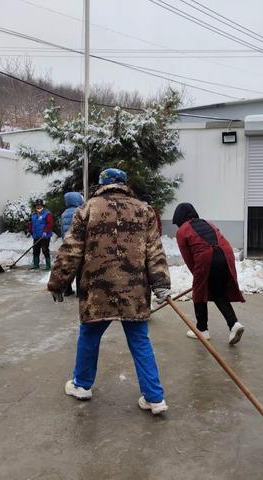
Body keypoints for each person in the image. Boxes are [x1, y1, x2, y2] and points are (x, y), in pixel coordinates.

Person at [48, 168, 171, 415]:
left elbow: (71, 250)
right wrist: (161, 284)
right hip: (133, 291)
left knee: (89, 336)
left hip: (97, 291)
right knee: (140, 341)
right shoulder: (143, 210)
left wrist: (58, 282)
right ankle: (155, 398)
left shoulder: (89, 209)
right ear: (124, 185)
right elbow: (154, 251)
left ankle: (82, 385)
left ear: (102, 184)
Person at [172, 203, 245, 345]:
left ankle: (202, 330)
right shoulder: (207, 223)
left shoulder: (182, 231)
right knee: (218, 292)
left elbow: (188, 258)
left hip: (206, 257)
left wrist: (199, 279)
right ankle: (234, 324)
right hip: (226, 254)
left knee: (199, 293)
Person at [61, 192, 84, 296]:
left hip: (67, 243)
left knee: (68, 267)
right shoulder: (80, 211)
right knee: (79, 268)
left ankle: (67, 290)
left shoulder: (64, 213)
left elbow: (62, 230)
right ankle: (79, 291)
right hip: (78, 243)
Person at [28, 199, 54, 270]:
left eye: (40, 205)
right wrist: (30, 231)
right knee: (35, 250)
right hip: (36, 236)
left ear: (42, 205)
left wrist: (45, 231)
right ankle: (36, 265)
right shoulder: (33, 214)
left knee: (45, 250)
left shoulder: (47, 214)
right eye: (37, 205)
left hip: (45, 236)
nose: (38, 206)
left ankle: (48, 265)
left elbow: (50, 224)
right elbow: (30, 223)